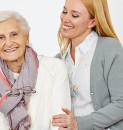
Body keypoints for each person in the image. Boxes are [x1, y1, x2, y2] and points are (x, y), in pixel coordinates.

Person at [0, 10, 71, 130]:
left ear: (26, 37)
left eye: (14, 34)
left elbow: (59, 123)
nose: (8, 43)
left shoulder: (55, 68)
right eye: (1, 38)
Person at [51, 0, 123, 130]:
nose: (65, 19)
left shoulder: (109, 49)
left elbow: (121, 104)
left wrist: (80, 123)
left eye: (75, 15)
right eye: (64, 11)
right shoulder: (58, 61)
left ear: (92, 22)